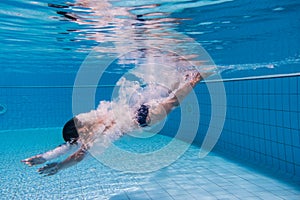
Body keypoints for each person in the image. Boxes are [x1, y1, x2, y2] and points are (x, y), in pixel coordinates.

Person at [22, 72, 212, 175]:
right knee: (171, 99)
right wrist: (50, 161)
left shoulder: (92, 131)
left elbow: (71, 149)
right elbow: (73, 150)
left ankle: (190, 77)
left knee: (169, 95)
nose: (82, 118)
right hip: (141, 115)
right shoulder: (93, 135)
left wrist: (51, 161)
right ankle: (192, 78)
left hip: (139, 112)